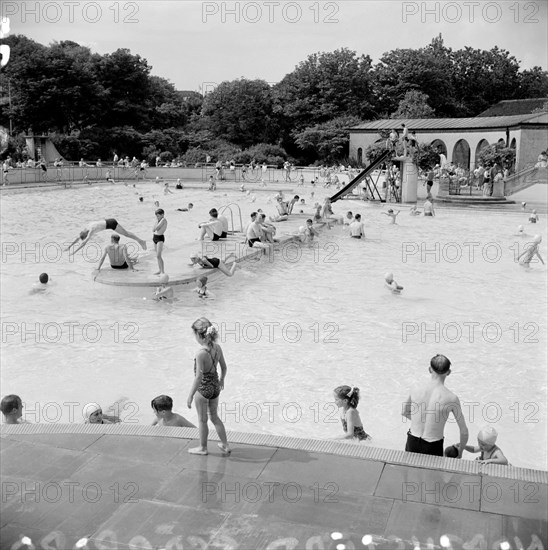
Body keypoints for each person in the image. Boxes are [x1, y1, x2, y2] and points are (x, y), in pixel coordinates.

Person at [402, 355, 469, 457]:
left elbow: (404, 412)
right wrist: (460, 452)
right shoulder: (451, 398)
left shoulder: (415, 388)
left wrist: (419, 421)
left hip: (412, 440)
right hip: (433, 445)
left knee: (409, 471)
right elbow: (464, 431)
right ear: (449, 372)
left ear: (429, 369)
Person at [187, 318, 231, 455]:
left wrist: (190, 395)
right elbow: (224, 367)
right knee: (214, 417)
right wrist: (222, 380)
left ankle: (203, 448)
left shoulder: (201, 353)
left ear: (199, 335)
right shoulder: (217, 348)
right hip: (215, 387)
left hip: (203, 389)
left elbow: (198, 377)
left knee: (202, 420)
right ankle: (225, 445)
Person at [66, 219, 146, 255]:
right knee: (126, 233)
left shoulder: (91, 230)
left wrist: (74, 252)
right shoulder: (87, 227)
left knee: (126, 234)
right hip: (109, 222)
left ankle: (141, 241)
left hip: (111, 224)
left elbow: (84, 243)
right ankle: (141, 241)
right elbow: (78, 238)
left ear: (86, 234)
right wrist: (69, 247)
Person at [152, 208, 167, 275]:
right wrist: (157, 221)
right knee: (157, 256)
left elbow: (157, 228)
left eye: (158, 216)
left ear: (162, 215)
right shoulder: (158, 220)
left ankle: (162, 271)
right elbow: (153, 229)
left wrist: (157, 224)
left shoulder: (164, 220)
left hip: (160, 238)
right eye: (156, 216)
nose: (157, 217)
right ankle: (159, 270)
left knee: (159, 255)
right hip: (155, 237)